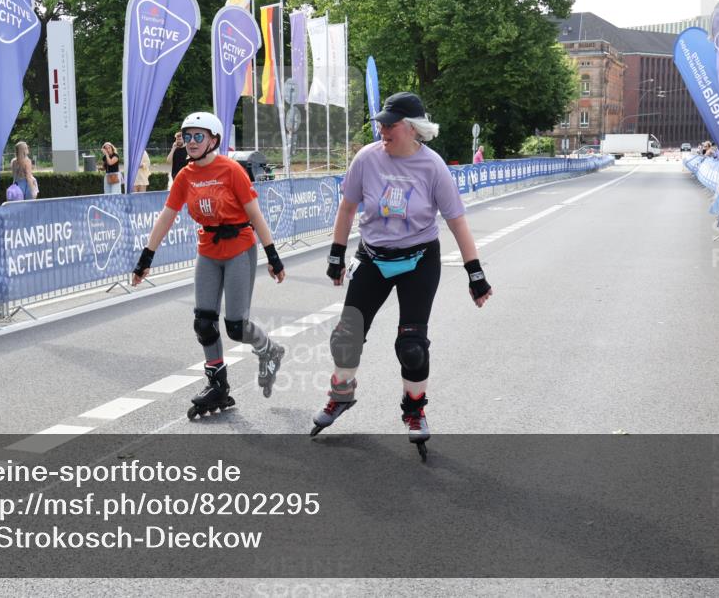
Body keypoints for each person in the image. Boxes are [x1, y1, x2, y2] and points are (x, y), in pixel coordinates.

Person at [311, 92, 493, 460]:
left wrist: (475, 274)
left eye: (389, 124)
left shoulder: (433, 167)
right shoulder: (367, 159)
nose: (382, 130)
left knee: (411, 347)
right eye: (380, 123)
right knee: (345, 337)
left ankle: (414, 409)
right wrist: (336, 253)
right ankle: (341, 396)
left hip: (419, 260)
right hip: (374, 257)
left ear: (412, 129)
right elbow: (347, 207)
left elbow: (457, 222)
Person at [132, 112, 287, 418]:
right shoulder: (185, 176)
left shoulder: (232, 171)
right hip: (208, 250)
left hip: (239, 248)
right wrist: (145, 258)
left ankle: (269, 349)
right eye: (187, 136)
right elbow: (166, 216)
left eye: (197, 136)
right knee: (204, 322)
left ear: (213, 140)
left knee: (235, 327)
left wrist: (273, 257)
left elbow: (256, 216)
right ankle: (218, 384)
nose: (190, 142)